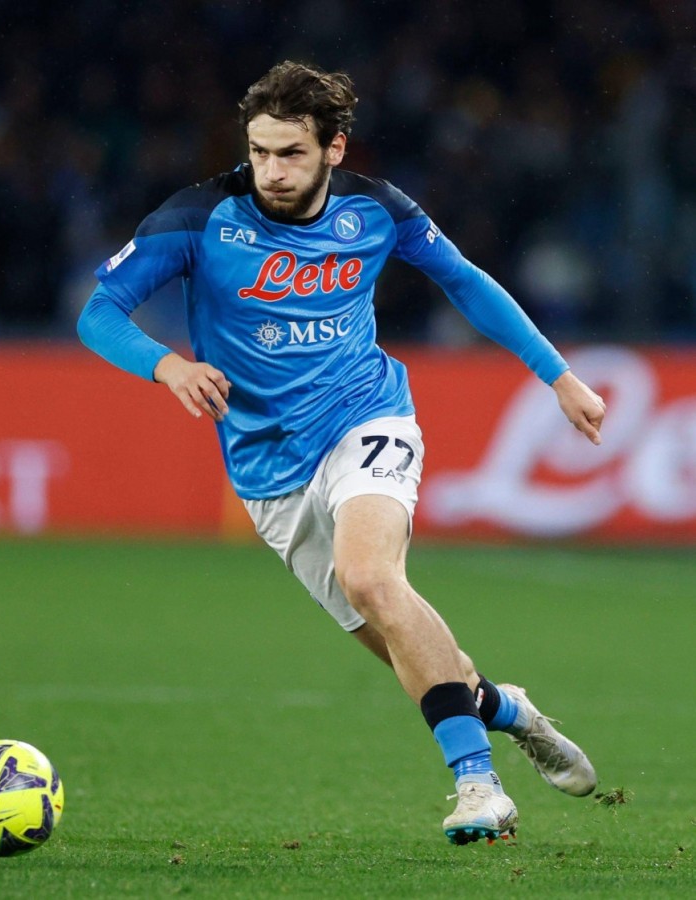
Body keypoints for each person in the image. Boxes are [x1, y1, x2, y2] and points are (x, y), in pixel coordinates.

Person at [77, 60, 605, 845]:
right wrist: (167, 365)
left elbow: (464, 282)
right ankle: (506, 710)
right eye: (258, 152)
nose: (271, 171)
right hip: (266, 469)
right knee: (397, 635)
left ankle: (477, 786)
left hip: (365, 418)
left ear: (333, 149)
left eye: (290, 153)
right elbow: (99, 312)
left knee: (370, 576)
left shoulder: (377, 210)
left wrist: (556, 375)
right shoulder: (196, 217)